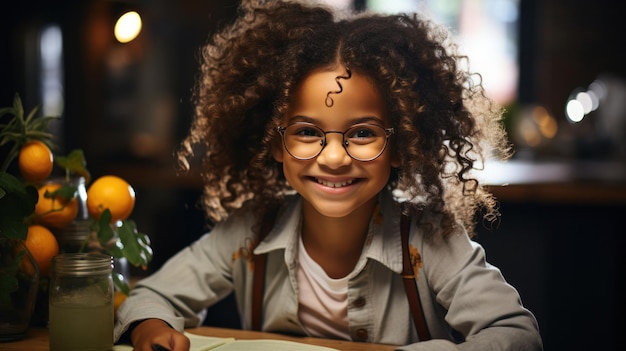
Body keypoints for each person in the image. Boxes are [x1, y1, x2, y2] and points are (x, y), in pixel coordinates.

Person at [114, 0, 543, 350]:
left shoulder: (430, 241)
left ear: (400, 145)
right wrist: (150, 326)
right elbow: (153, 295)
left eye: (361, 133)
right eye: (306, 132)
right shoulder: (248, 231)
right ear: (276, 144)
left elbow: (516, 335)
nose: (334, 157)